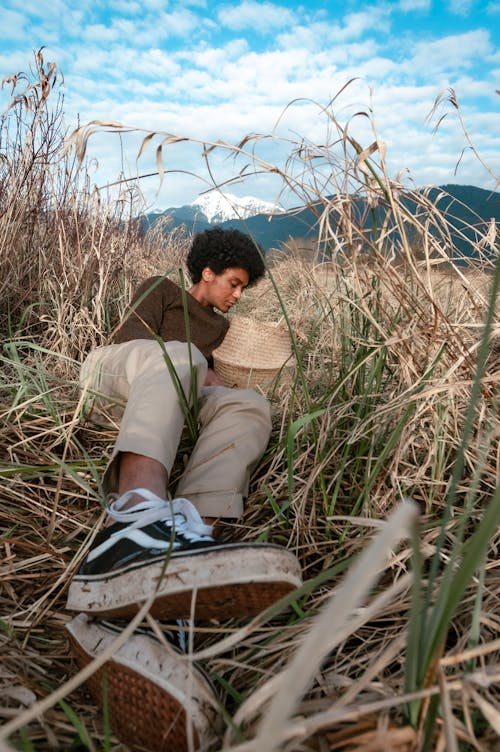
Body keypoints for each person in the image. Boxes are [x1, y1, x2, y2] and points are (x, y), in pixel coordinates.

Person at [66, 227, 302, 751]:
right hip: (114, 373)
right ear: (208, 273)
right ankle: (133, 518)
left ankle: (183, 554)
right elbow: (132, 345)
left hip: (178, 382)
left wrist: (221, 380)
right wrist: (198, 366)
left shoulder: (223, 332)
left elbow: (207, 383)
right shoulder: (162, 291)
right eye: (234, 284)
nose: (237, 295)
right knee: (180, 357)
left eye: (244, 288)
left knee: (250, 406)